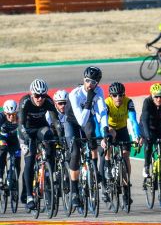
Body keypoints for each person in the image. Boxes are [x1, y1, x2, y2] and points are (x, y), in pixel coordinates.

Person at [65, 66, 107, 208]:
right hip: (72, 121)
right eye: (87, 80)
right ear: (83, 79)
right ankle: (75, 191)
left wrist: (105, 129)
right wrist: (89, 100)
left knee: (91, 134)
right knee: (75, 152)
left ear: (97, 83)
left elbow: (102, 112)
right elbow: (81, 120)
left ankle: (94, 168)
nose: (90, 84)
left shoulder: (99, 91)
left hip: (86, 118)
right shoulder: (74, 94)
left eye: (93, 82)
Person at [18, 79, 62, 210]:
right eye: (37, 95)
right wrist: (26, 139)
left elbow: (56, 121)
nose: (40, 99)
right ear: (32, 94)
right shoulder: (24, 102)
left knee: (50, 137)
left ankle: (48, 169)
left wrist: (60, 138)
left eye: (42, 95)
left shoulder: (48, 101)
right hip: (26, 130)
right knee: (30, 160)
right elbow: (20, 125)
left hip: (41, 128)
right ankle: (29, 196)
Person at [103, 82, 141, 205]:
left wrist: (137, 136)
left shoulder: (128, 102)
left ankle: (126, 188)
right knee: (111, 137)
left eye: (120, 95)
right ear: (110, 96)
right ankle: (108, 166)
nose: (118, 98)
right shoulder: (107, 103)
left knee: (125, 158)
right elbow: (102, 120)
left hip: (123, 129)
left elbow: (134, 121)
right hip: (110, 128)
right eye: (115, 95)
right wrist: (104, 137)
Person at [0, 100, 21, 191]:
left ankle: (12, 177)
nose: (12, 117)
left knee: (17, 160)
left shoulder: (20, 117)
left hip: (13, 140)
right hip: (2, 138)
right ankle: (0, 177)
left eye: (14, 114)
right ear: (5, 113)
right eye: (9, 115)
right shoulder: (1, 117)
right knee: (2, 151)